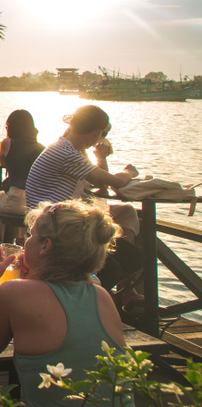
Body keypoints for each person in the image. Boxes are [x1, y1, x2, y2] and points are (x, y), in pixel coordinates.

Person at [0, 200, 127, 407]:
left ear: (45, 245)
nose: (26, 242)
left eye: (30, 235)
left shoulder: (14, 292)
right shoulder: (102, 295)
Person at [25, 105, 142, 298]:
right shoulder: (68, 154)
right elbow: (116, 181)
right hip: (54, 229)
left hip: (59, 221)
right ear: (97, 133)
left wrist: (100, 157)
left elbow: (100, 185)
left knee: (129, 257)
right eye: (102, 134)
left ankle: (102, 299)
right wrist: (130, 171)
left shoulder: (68, 149)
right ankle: (84, 301)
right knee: (123, 262)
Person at [0, 110, 45, 235]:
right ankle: (20, 239)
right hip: (35, 203)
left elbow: (3, 163)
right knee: (10, 203)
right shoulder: (41, 148)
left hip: (16, 199)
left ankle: (2, 239)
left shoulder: (8, 143)